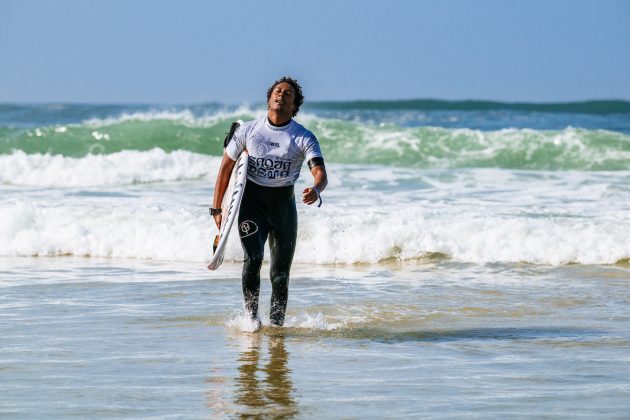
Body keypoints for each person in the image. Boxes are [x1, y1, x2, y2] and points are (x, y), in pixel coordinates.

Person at [211, 76, 328, 328]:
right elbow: (225, 169)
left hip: (283, 208)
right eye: (277, 91)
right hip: (252, 204)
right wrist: (217, 208)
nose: (281, 95)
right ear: (269, 98)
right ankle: (251, 320)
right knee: (252, 260)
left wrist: (316, 189)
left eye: (288, 94)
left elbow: (320, 173)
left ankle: (276, 326)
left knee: (280, 275)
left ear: (294, 105)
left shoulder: (303, 137)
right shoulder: (248, 131)